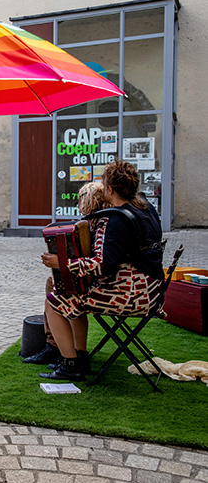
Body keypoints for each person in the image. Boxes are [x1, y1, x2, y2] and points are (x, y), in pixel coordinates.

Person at [39, 161, 164, 381]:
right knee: (73, 291)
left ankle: (71, 365)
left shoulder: (114, 219)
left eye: (104, 184)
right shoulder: (145, 207)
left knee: (56, 300)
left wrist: (63, 263)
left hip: (132, 294)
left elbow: (103, 265)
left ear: (110, 189)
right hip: (153, 290)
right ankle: (80, 356)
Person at [23, 181, 109, 366]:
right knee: (53, 282)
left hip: (101, 283)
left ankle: (57, 347)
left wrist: (63, 263)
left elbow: (99, 262)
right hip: (101, 278)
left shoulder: (99, 223)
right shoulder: (99, 221)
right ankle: (74, 349)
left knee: (56, 291)